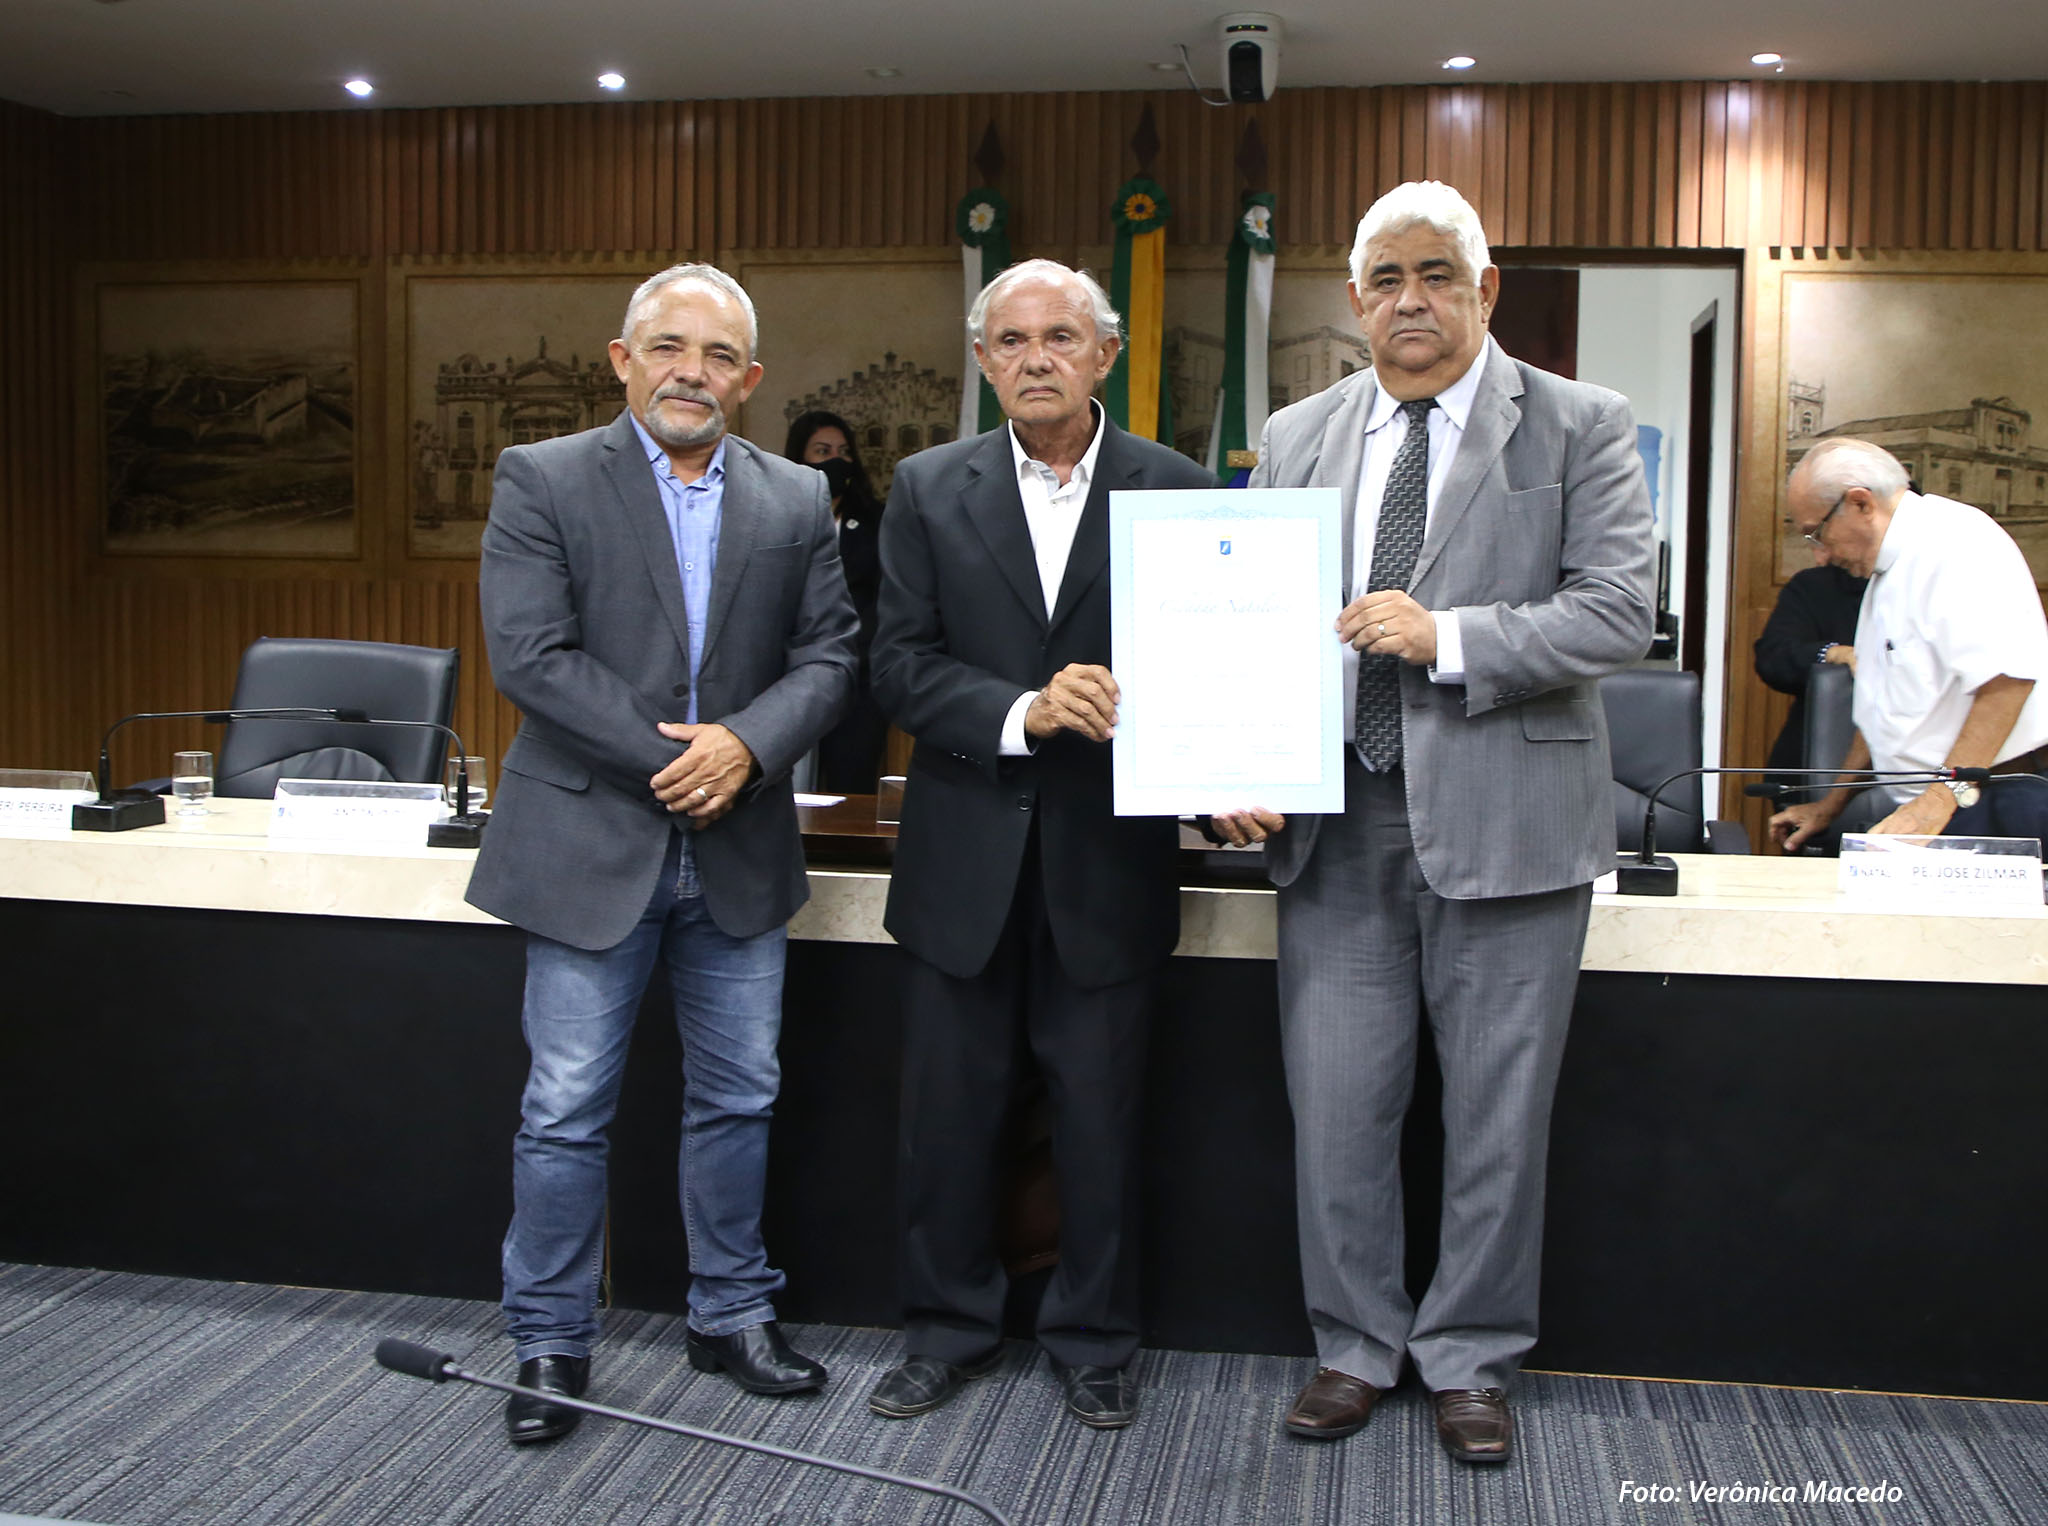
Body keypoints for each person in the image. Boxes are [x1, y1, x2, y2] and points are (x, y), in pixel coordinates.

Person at [1211, 181, 1655, 1464]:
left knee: (1496, 1116)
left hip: (1511, 821)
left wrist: (1444, 634)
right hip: (1334, 821)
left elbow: (1617, 610)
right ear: (1355, 301)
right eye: (1386, 280)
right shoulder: (1294, 432)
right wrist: (1228, 751)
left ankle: (1468, 1357)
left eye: (1436, 274)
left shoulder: (1576, 420)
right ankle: (1353, 1344)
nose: (1410, 300)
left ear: (1483, 288)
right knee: (1336, 1107)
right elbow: (1252, 617)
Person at [466, 262, 859, 1445]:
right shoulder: (541, 476)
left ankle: (729, 1312)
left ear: (750, 378)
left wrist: (746, 745)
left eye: (718, 355)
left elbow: (832, 656)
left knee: (739, 1094)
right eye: (669, 347)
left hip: (737, 849)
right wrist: (682, 759)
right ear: (621, 359)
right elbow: (530, 655)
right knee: (565, 1106)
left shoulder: (795, 496)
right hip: (589, 841)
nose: (692, 371)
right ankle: (548, 1335)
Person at [865, 258, 1213, 1430]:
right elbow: (896, 664)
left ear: (1104, 353)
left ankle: (1094, 1339)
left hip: (1108, 861)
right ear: (981, 359)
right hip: (962, 859)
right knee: (946, 1119)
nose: (1033, 358)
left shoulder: (1175, 487)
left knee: (1100, 1121)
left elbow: (1208, 663)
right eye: (1009, 340)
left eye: (1059, 335)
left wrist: (1230, 764)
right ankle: (943, 1328)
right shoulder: (926, 486)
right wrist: (1022, 708)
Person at [1769, 437, 2048, 852]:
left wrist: (1936, 803)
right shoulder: (1886, 569)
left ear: (1860, 503)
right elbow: (1883, 712)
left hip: (1991, 802)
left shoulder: (1957, 544)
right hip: (1942, 804)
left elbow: (2008, 682)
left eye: (1817, 534)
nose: (1820, 556)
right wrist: (1829, 806)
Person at [785, 410, 890, 791]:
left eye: (844, 452)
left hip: (858, 676)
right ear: (800, 457)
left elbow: (885, 594)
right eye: (823, 451)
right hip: (788, 675)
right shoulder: (780, 514)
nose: (836, 460)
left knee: (851, 782)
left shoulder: (877, 520)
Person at [1753, 563, 1866, 789]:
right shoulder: (1815, 586)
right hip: (1819, 756)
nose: (1821, 555)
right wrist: (1830, 653)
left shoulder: (1924, 584)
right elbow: (1773, 656)